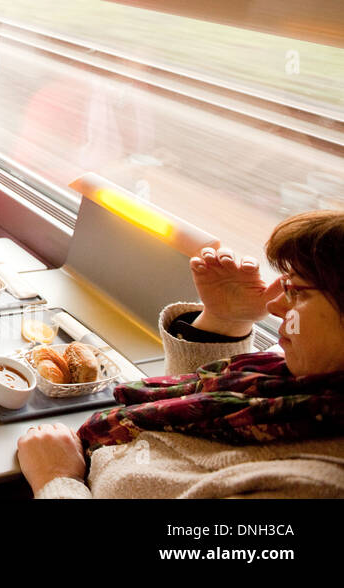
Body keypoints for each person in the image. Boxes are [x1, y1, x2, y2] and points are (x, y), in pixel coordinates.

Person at [18, 210, 344, 498]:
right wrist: (223, 322)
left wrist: (57, 480)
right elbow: (199, 418)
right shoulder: (297, 380)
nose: (274, 306)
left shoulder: (313, 486)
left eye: (297, 292)